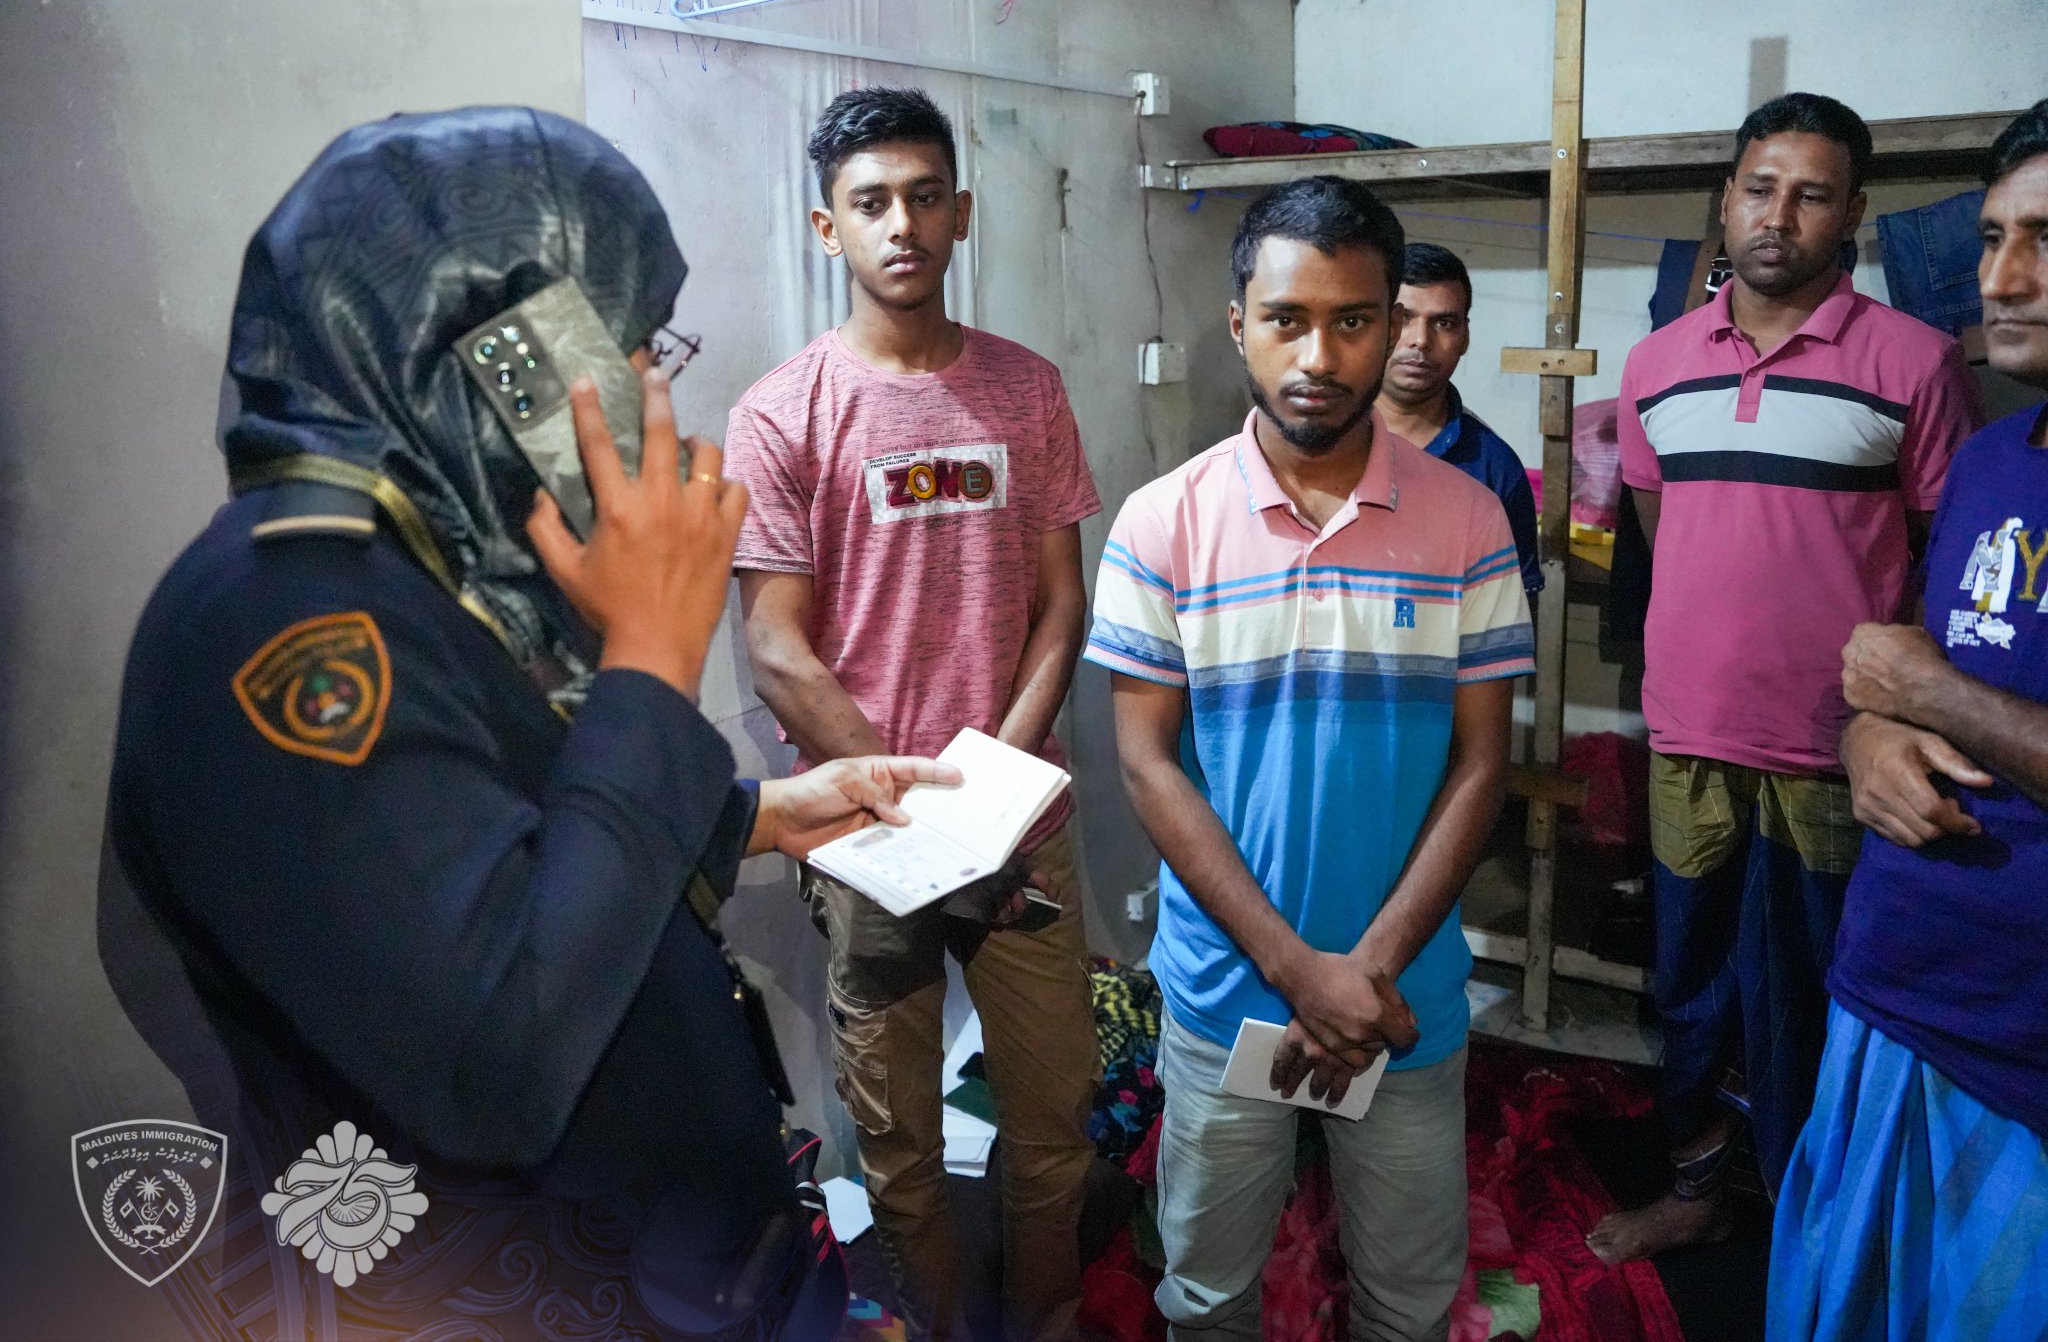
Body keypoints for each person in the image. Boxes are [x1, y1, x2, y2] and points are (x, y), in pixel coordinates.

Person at [99, 107, 956, 1340]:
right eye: (628, 344)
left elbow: (496, 835)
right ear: (507, 364)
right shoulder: (288, 621)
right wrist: (651, 657)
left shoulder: (429, 564)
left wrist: (753, 819)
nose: (654, 385)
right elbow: (499, 1055)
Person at [1086, 175, 1532, 1341]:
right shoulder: (1160, 522)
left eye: (1351, 321)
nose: (1318, 356)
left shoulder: (1467, 520)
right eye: (1287, 319)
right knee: (1207, 1299)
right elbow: (1145, 767)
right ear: (1237, 322)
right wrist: (1299, 972)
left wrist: (1363, 975)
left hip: (1402, 1001)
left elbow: (1480, 764)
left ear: (1389, 328)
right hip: (1228, 997)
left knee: (1406, 1305)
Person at [721, 87, 1101, 1342]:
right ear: (826, 228)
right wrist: (904, 796)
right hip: (866, 835)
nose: (903, 225)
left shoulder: (1026, 390)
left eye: (925, 197)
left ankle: (1044, 1317)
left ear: (961, 213)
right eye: (872, 202)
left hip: (1019, 825)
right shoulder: (781, 413)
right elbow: (774, 647)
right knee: (897, 1136)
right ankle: (934, 1325)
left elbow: (1061, 602)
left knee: (1052, 1118)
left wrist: (992, 781)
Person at [1590, 91, 1983, 1264]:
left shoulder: (1913, 361)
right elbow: (1660, 534)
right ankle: (1695, 1186)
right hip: (1690, 732)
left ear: (1851, 215)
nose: (1778, 215)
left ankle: (1809, 1219)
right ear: (1724, 201)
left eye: (1811, 195)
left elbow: (1939, 559)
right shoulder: (1656, 364)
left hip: (1840, 746)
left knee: (1822, 986)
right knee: (1688, 977)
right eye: (1758, 188)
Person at [1768, 99, 2048, 1342]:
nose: (2001, 279)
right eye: (1990, 237)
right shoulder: (1994, 460)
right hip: (1894, 989)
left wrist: (1925, 697)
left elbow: (1931, 682)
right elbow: (1906, 677)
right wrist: (1866, 738)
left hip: (2020, 1046)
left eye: (2043, 240)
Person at [1376, 241, 1544, 606]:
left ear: (1464, 337)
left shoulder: (1493, 469)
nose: (1420, 341)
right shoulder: (1322, 444)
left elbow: (1510, 619)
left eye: (1443, 323)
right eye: (1403, 319)